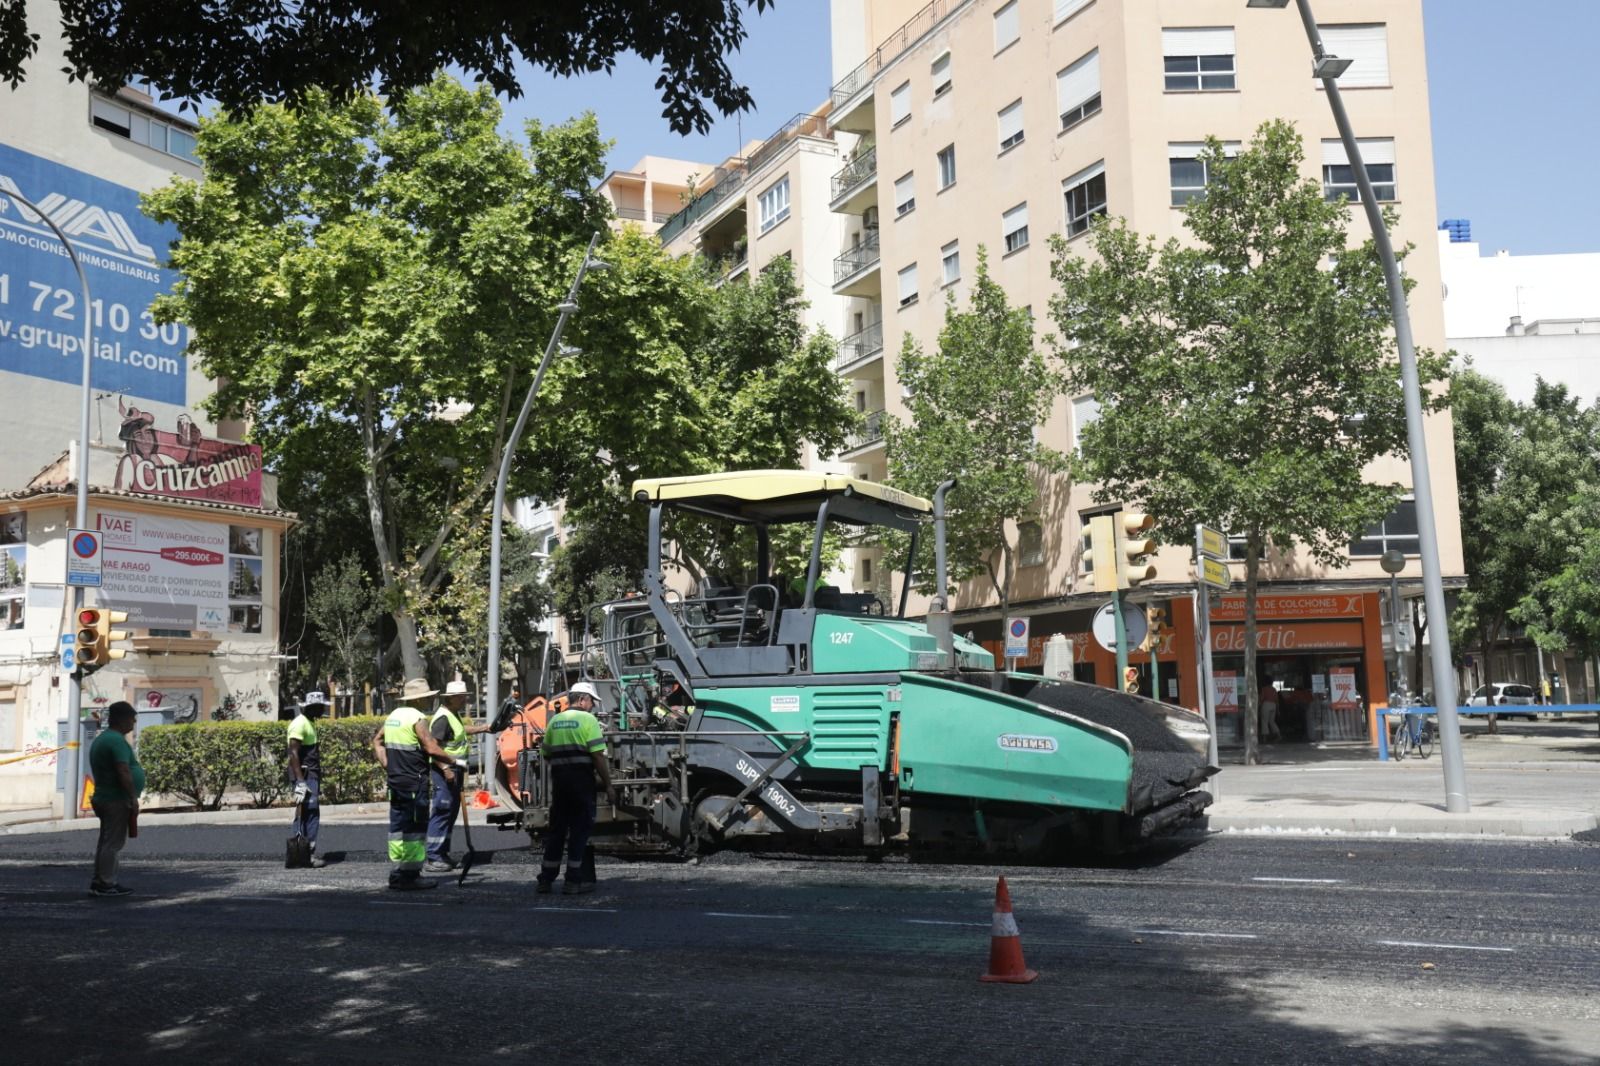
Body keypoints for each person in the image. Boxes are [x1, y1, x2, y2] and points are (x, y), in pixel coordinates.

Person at [370, 678, 456, 890]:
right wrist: (454, 761)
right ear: (419, 699)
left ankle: (398, 871)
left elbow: (377, 741)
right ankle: (411, 875)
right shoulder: (417, 718)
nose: (430, 700)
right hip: (414, 783)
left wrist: (387, 763)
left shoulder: (394, 716)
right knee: (415, 829)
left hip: (396, 782)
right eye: (427, 697)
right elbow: (431, 748)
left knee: (398, 827)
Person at [537, 681, 615, 896]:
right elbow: (598, 754)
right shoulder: (587, 720)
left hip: (560, 785)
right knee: (579, 832)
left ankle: (545, 880)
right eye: (591, 702)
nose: (593, 707)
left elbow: (546, 754)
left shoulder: (555, 721)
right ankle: (573, 881)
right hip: (582, 784)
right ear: (582, 699)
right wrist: (608, 784)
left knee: (557, 832)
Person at [425, 679, 492, 872]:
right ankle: (433, 856)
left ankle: (442, 853)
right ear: (452, 698)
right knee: (442, 811)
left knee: (450, 812)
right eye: (462, 697)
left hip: (454, 770)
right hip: (444, 771)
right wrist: (445, 768)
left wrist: (483, 728)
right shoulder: (443, 718)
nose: (465, 700)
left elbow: (460, 732)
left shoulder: (452, 714)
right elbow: (433, 747)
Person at [88, 701, 143, 897]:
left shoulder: (104, 739)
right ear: (121, 719)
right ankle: (106, 883)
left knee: (106, 841)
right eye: (132, 718)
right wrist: (132, 797)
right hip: (115, 799)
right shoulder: (116, 741)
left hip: (105, 796)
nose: (134, 722)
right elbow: (123, 770)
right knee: (113, 843)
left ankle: (100, 880)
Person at [287, 691, 329, 868]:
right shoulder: (299, 724)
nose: (324, 709)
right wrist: (300, 781)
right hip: (304, 776)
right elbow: (293, 753)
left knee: (310, 813)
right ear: (312, 707)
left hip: (311, 775)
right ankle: (304, 855)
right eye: (321, 707)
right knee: (306, 814)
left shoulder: (310, 723)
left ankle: (306, 853)